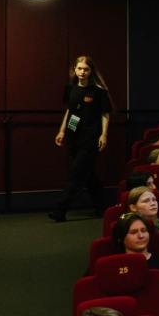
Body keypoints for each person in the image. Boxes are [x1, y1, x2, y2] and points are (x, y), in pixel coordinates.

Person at [51, 56, 112, 221]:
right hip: (73, 135)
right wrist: (62, 131)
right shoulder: (70, 87)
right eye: (79, 69)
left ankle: (60, 209)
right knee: (87, 172)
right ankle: (102, 205)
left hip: (91, 137)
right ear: (75, 70)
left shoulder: (98, 91)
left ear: (91, 71)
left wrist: (103, 135)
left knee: (77, 173)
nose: (82, 72)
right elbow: (69, 111)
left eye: (86, 69)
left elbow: (105, 114)